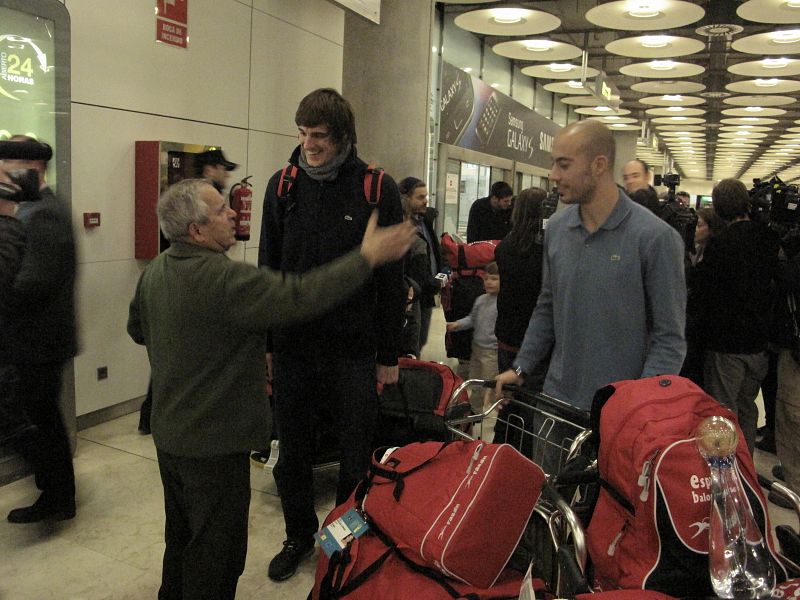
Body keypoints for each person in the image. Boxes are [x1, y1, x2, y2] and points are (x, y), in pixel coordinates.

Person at [127, 178, 414, 600]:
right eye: (221, 209)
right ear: (196, 231)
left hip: (171, 439)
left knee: (183, 540)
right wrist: (365, 256)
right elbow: (300, 296)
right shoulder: (224, 280)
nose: (232, 213)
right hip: (214, 446)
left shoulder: (156, 270)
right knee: (217, 555)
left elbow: (137, 329)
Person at [258, 88, 406, 582]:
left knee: (353, 456)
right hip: (295, 350)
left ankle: (341, 542)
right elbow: (269, 272)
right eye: (302, 134)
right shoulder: (283, 187)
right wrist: (269, 348)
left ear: (342, 136)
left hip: (355, 353)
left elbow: (391, 279)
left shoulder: (374, 188)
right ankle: (298, 536)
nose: (309, 144)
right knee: (292, 457)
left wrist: (389, 352)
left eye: (319, 136)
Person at [494, 120, 686, 411]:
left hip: (619, 413)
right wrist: (521, 367)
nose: (554, 175)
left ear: (599, 165)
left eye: (564, 165)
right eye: (553, 164)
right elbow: (547, 306)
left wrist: (640, 402)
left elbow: (669, 339)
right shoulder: (557, 229)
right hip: (556, 402)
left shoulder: (655, 238)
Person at [0, 136, 78, 524]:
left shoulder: (42, 213)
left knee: (38, 422)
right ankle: (56, 491)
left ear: (29, 170)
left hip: (39, 342)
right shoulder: (35, 208)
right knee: (42, 420)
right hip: (38, 340)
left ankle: (58, 496)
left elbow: (31, 284)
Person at [692, 178, 780, 453]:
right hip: (759, 343)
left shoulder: (722, 244)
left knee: (721, 412)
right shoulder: (769, 239)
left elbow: (705, 291)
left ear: (718, 208)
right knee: (747, 407)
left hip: (726, 344)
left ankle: (723, 474)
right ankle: (746, 464)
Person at [397, 176, 443, 355]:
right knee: (411, 343)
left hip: (424, 293)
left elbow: (433, 250)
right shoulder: (401, 225)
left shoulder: (425, 222)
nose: (425, 201)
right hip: (411, 294)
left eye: (426, 197)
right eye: (420, 197)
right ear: (405, 198)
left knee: (420, 340)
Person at [446, 261, 500, 414]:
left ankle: (492, 413)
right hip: (476, 349)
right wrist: (457, 324)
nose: (489, 282)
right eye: (486, 278)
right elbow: (472, 319)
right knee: (475, 382)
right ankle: (475, 412)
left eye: (494, 279)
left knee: (490, 386)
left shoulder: (503, 303)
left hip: (492, 353)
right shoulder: (480, 300)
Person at [681, 207, 726, 387]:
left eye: (699, 225)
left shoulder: (712, 258)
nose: (695, 230)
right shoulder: (696, 252)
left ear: (711, 228)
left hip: (703, 334)